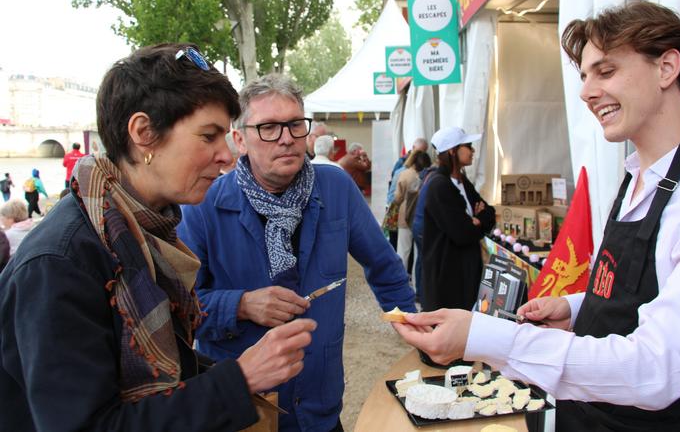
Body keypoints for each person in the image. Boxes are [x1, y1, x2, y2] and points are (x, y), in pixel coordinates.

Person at [391, 1, 680, 432]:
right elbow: (638, 295)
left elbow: (660, 366)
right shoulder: (637, 174)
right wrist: (577, 308)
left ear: (667, 67)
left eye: (606, 71)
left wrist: (482, 337)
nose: (585, 92)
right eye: (584, 76)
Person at [0, 43, 317, 432]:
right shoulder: (60, 263)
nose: (228, 156)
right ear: (144, 133)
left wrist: (232, 371)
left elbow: (164, 373)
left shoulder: (138, 232)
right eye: (208, 136)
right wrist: (240, 379)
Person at [178, 73, 416, 432]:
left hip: (319, 409)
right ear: (240, 140)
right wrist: (242, 304)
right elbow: (178, 308)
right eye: (269, 127)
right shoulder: (204, 205)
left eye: (294, 125)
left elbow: (383, 265)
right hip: (245, 413)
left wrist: (408, 322)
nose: (286, 138)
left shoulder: (336, 188)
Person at [421, 126, 495, 312]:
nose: (472, 151)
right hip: (447, 274)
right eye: (468, 146)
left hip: (463, 271)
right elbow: (461, 233)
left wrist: (477, 220)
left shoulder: (462, 181)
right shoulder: (439, 186)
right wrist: (475, 221)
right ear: (453, 151)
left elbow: (490, 214)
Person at [391, 150, 431, 277]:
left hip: (405, 215)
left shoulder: (405, 174)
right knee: (418, 254)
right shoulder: (428, 176)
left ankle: (400, 279)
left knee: (403, 250)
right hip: (422, 217)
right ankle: (416, 282)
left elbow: (397, 198)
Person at [411, 159, 438, 302]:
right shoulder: (436, 179)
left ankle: (419, 293)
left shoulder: (426, 176)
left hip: (417, 223)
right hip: (424, 225)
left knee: (420, 259)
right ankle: (423, 295)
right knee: (426, 260)